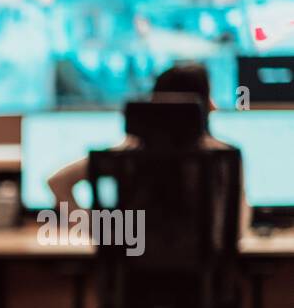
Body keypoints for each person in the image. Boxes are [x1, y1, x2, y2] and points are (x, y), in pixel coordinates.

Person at [47, 61, 250, 232]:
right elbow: (239, 228)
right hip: (205, 277)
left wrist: (98, 229)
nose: (214, 105)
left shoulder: (128, 155)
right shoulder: (222, 157)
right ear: (202, 106)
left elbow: (57, 182)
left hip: (132, 277)